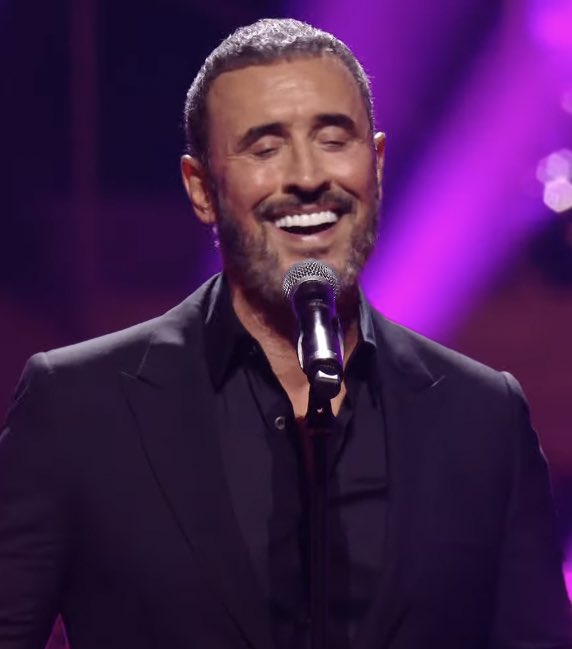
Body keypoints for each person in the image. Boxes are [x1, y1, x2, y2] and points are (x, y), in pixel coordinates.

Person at [0, 17, 570, 649]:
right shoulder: (78, 406)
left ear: (376, 165)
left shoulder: (485, 417)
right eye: (265, 148)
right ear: (201, 189)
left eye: (334, 140)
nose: (307, 176)